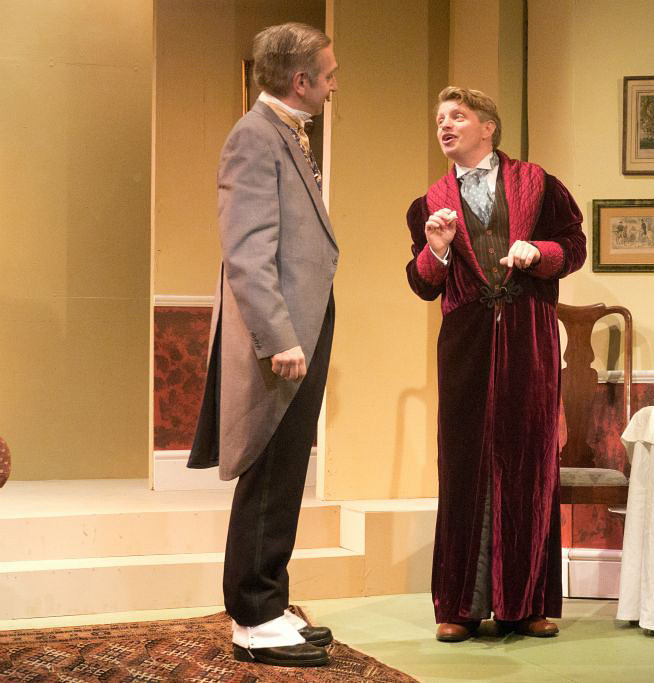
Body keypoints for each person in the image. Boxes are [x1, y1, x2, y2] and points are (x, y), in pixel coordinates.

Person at [405, 87, 586, 643]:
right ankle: (460, 605)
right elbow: (422, 285)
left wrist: (539, 253)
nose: (445, 125)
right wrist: (436, 248)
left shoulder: (539, 184)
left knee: (529, 462)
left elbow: (574, 246)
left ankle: (525, 604)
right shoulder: (428, 204)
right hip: (466, 342)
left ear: (488, 127)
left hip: (529, 336)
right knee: (463, 464)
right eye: (439, 118)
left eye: (457, 116)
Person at [188, 22, 338, 668]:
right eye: (328, 75)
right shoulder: (253, 137)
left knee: (286, 470)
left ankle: (270, 602)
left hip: (303, 325)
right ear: (300, 80)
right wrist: (278, 335)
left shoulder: (285, 133)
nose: (333, 86)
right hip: (280, 335)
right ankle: (252, 616)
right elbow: (247, 249)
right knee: (270, 470)